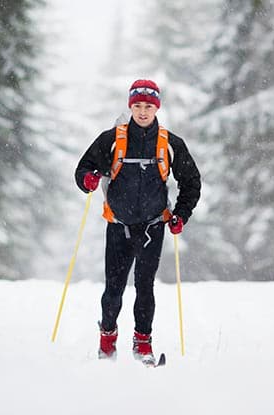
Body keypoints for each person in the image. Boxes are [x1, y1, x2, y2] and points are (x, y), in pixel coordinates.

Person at [75, 79, 201, 365]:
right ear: (130, 106)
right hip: (119, 226)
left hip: (152, 227)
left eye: (148, 106)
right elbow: (83, 168)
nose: (143, 112)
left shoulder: (170, 143)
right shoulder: (112, 139)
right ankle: (107, 340)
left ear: (157, 108)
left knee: (145, 288)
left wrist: (181, 214)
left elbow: (191, 181)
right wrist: (88, 180)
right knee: (114, 289)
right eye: (137, 106)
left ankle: (143, 345)